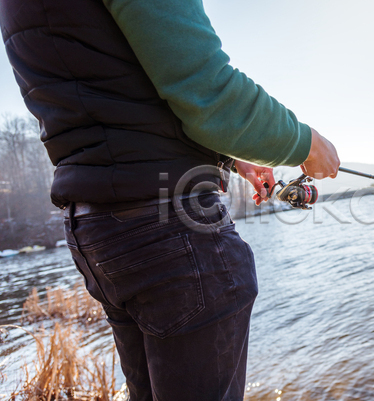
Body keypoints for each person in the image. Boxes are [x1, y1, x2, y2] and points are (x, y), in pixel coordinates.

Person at [0, 0, 339, 399]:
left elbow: (108, 90)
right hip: (172, 235)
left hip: (98, 232)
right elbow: (206, 89)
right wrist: (305, 142)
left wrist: (229, 158)